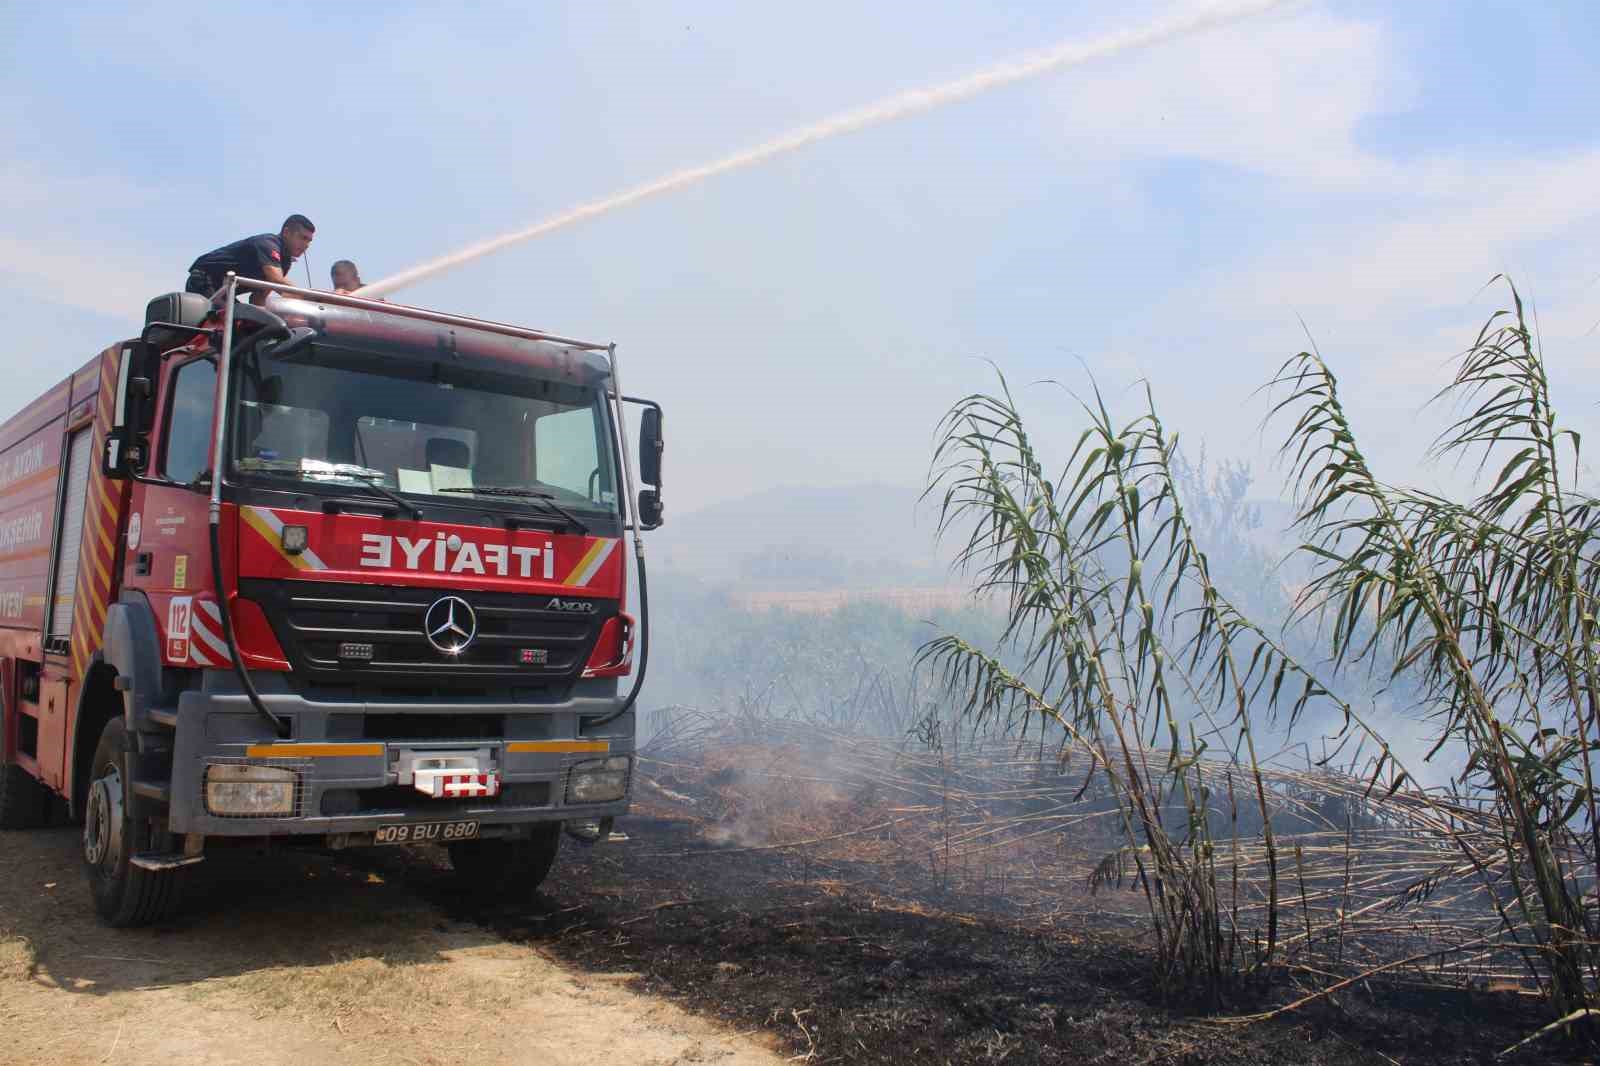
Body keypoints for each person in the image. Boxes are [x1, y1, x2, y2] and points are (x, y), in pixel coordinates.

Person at [186, 215, 315, 305]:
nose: (307, 245)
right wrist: (316, 299)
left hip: (223, 291)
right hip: (203, 279)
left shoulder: (284, 263)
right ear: (286, 232)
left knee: (250, 325)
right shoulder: (268, 244)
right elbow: (277, 281)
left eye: (309, 241)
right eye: (303, 238)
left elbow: (258, 299)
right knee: (231, 322)